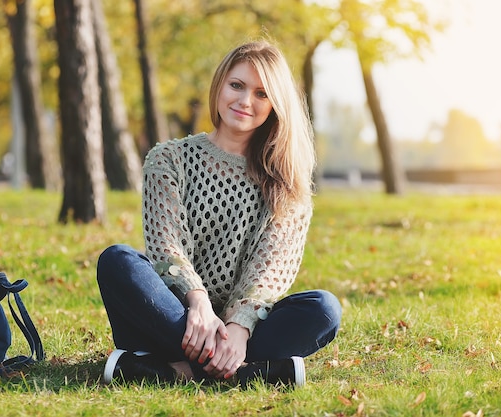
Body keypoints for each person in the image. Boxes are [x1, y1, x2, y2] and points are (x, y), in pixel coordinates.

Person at [97, 40, 341, 387]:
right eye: (237, 85)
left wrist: (239, 327)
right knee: (116, 260)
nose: (245, 101)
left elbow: (269, 273)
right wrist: (198, 305)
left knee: (325, 308)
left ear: (275, 106)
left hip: (244, 332)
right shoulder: (168, 160)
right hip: (173, 317)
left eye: (261, 93)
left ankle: (171, 371)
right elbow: (166, 246)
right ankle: (242, 374)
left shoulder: (287, 184)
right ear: (219, 86)